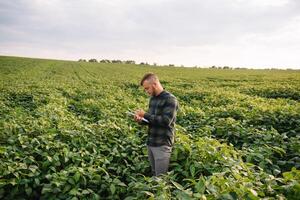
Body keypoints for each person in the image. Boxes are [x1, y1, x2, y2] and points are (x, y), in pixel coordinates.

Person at [134, 73, 179, 176]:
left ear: (154, 84)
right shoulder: (153, 99)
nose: (146, 91)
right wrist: (141, 120)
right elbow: (152, 120)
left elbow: (165, 121)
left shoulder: (170, 99)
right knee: (154, 173)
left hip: (162, 144)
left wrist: (145, 114)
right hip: (151, 141)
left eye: (147, 88)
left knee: (161, 178)